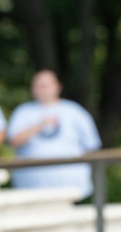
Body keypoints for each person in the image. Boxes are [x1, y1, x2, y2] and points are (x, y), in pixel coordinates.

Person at [6, 69, 102, 199]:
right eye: (37, 85)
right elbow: (13, 142)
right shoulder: (23, 112)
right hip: (30, 189)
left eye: (44, 85)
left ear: (57, 87)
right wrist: (39, 126)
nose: (40, 89)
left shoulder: (74, 111)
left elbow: (92, 146)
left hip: (73, 190)